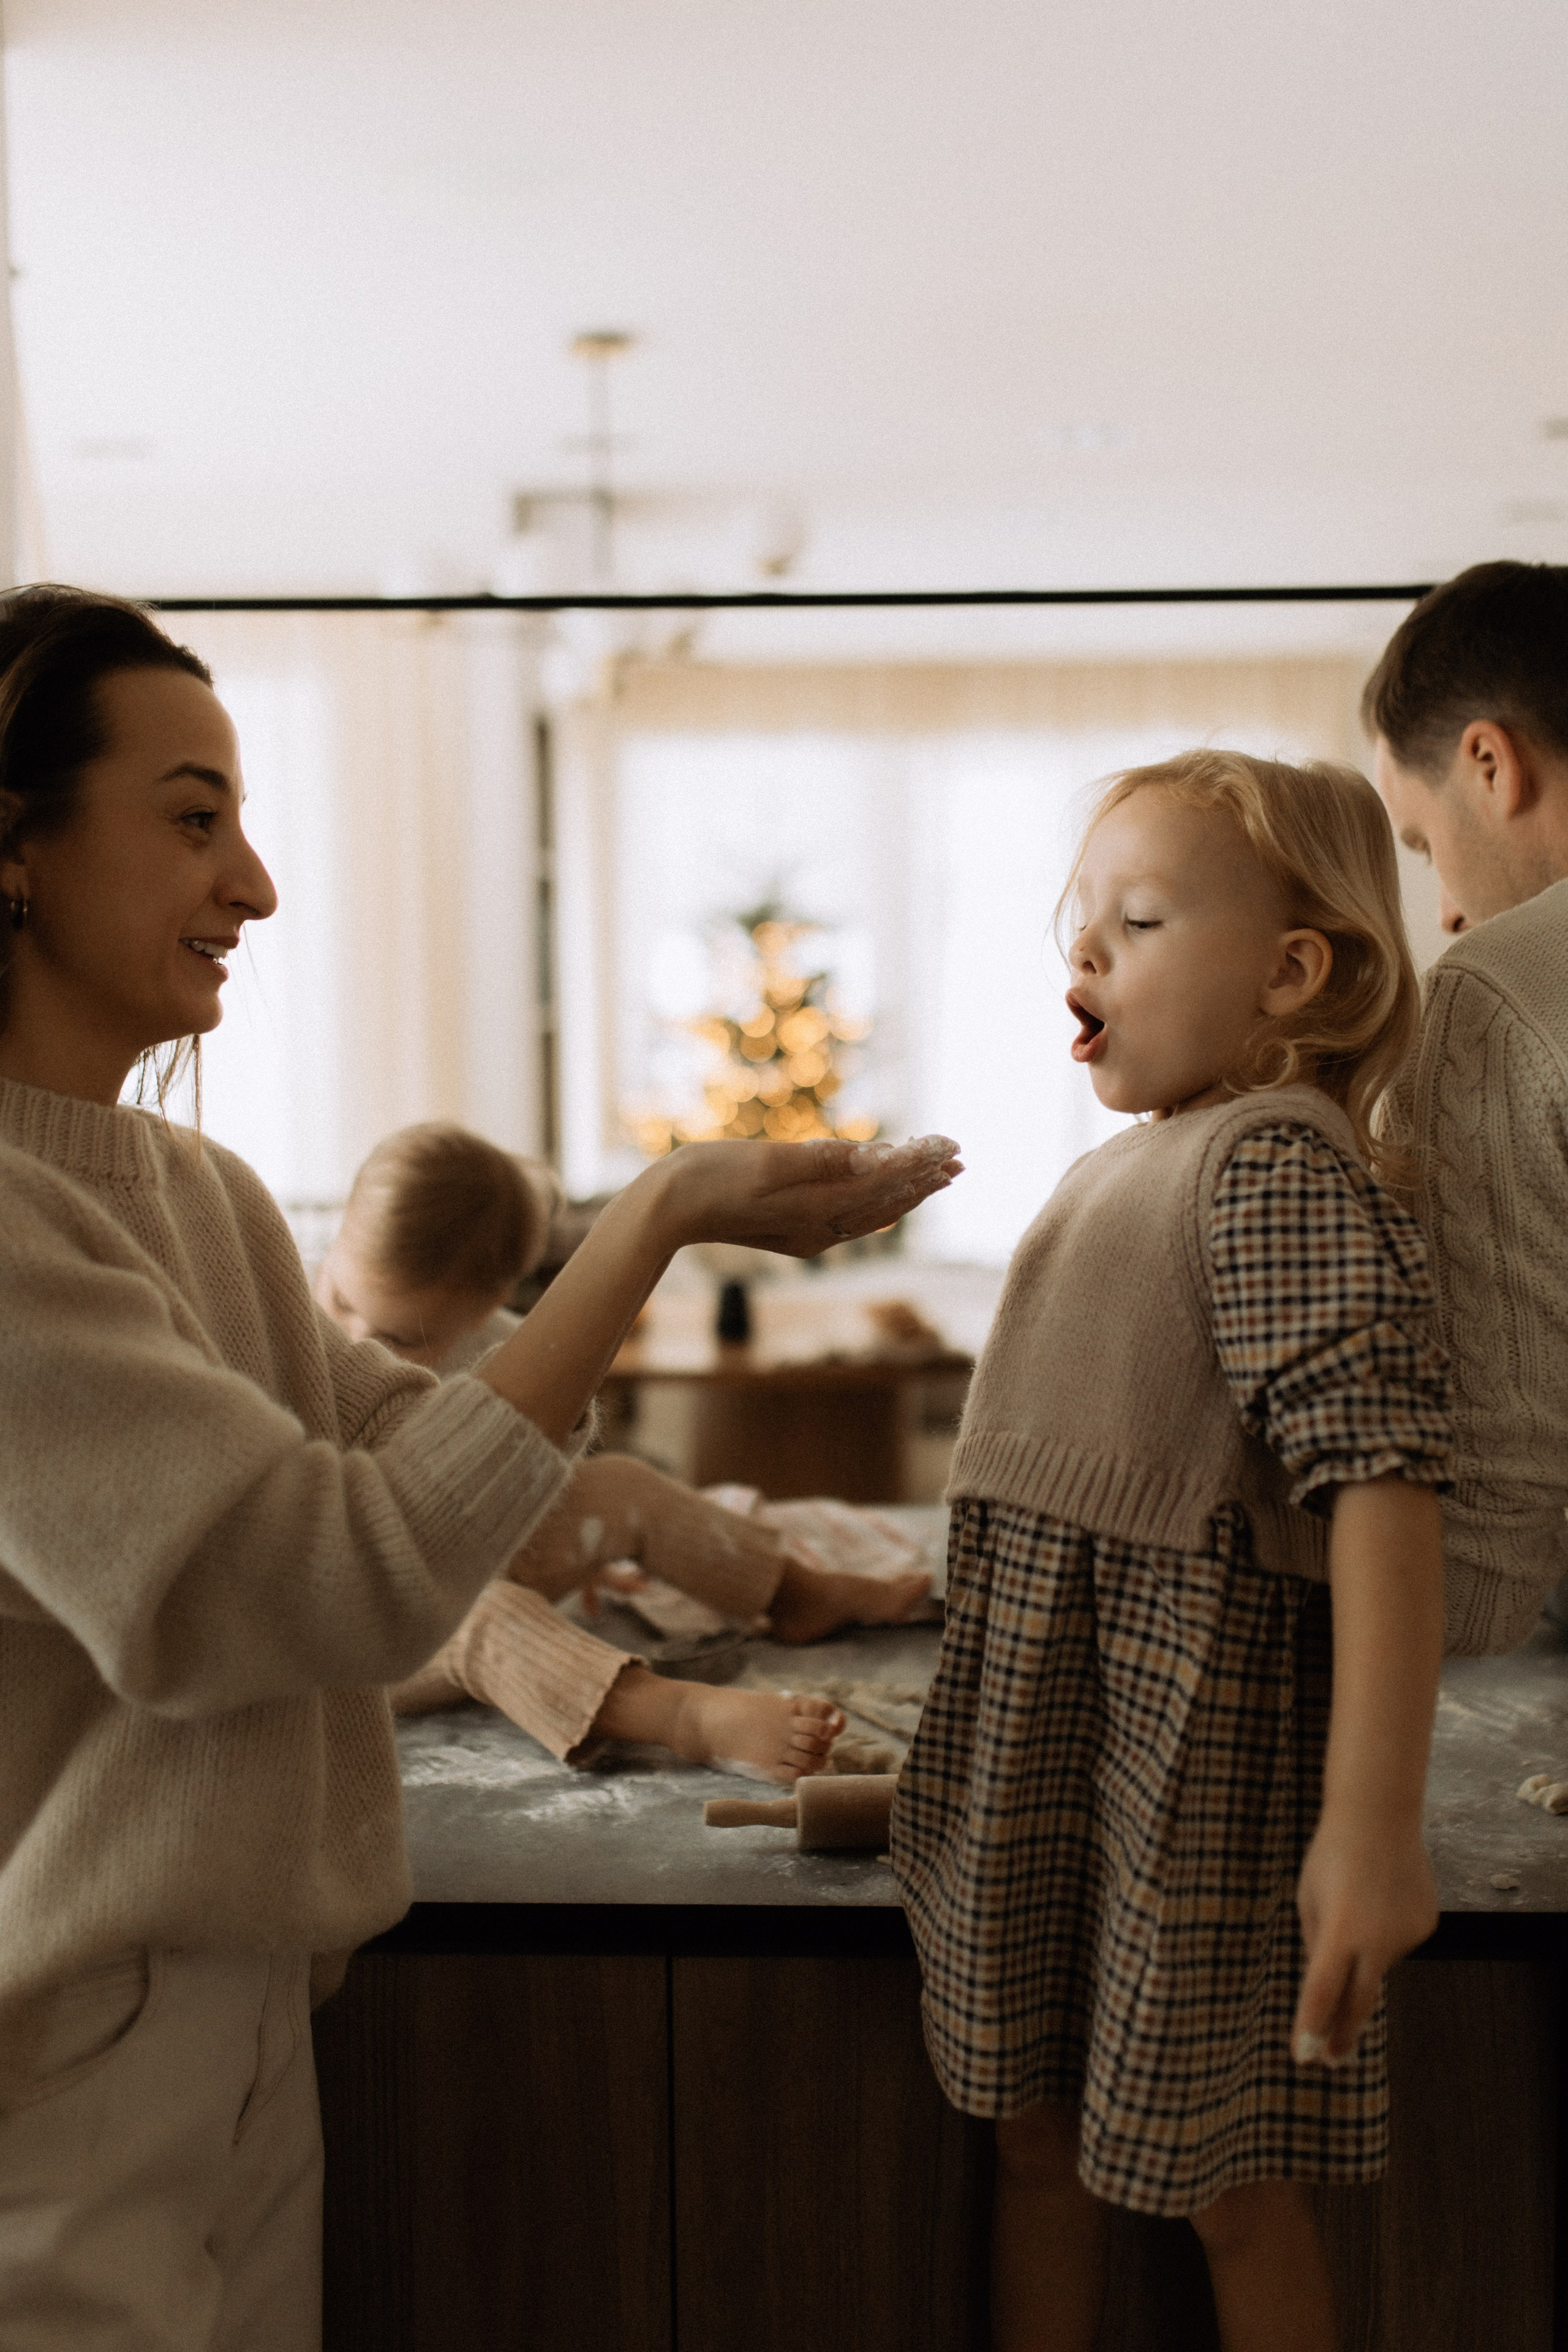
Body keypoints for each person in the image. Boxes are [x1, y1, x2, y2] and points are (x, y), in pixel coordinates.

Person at [0, 582, 962, 2351]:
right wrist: (649, 1223)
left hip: (247, 2014)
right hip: (55, 2067)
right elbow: (329, 1579)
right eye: (194, 820)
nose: (257, 883)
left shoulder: (198, 1193)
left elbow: (426, 1459)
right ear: (16, 849)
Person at [890, 750, 1450, 2352]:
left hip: (1183, 1764)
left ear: (1292, 973)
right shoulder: (1118, 1165)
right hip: (1064, 1744)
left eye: (1135, 921)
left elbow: (1385, 1488)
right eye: (1079, 925)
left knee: (1226, 2182)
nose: (1084, 956)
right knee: (1036, 2139)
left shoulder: (1268, 1160)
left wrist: (1371, 1828)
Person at [314, 1121, 932, 1781]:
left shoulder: (508, 1350)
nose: (357, 1342)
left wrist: (578, 1539)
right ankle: (683, 1718)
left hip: (458, 1551)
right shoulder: (291, 1328)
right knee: (481, 1616)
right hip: (352, 1628)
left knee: (618, 1486)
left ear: (487, 1305)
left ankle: (798, 1593)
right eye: (340, 1300)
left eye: (399, 1339)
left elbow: (539, 1465)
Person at [1365, 559, 1568, 1653]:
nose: (1442, 908)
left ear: (1490, 762)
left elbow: (1492, 1525)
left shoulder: (1497, 993)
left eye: (1423, 844)